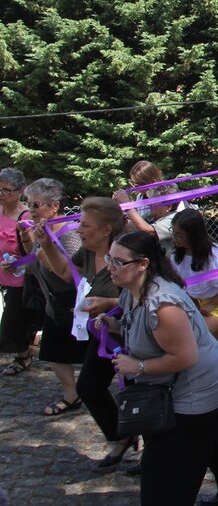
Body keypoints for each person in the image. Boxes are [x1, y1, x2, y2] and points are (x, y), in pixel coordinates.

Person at [103, 231, 218, 505]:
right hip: (180, 385)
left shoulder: (163, 304)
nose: (110, 267)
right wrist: (110, 325)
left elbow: (185, 357)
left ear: (143, 264)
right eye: (110, 259)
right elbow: (136, 326)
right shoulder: (132, 292)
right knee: (190, 448)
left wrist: (138, 366)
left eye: (118, 262)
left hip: (195, 390)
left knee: (168, 472)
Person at [33, 196, 129, 469]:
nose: (78, 230)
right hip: (105, 335)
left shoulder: (128, 252)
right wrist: (46, 243)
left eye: (85, 225)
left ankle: (153, 454)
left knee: (140, 393)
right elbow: (64, 272)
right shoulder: (88, 251)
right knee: (88, 387)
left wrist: (109, 303)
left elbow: (148, 295)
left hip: (136, 335)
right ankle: (121, 436)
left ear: (106, 229)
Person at [20, 178, 87, 415]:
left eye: (36, 205)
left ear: (54, 206)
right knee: (53, 350)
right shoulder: (42, 229)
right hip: (53, 301)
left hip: (74, 302)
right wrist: (28, 241)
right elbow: (32, 255)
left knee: (92, 351)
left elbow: (71, 274)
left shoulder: (70, 233)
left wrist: (42, 252)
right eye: (28, 204)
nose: (31, 210)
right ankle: (72, 394)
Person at [170, 208, 218, 379]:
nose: (175, 238)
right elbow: (185, 286)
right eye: (173, 233)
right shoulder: (177, 257)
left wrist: (212, 304)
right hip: (201, 301)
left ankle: (205, 382)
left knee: (196, 338)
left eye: (180, 235)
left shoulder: (213, 257)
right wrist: (195, 306)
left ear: (193, 235)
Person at [0, 167, 37, 376]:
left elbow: (34, 252)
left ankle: (22, 356)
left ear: (20, 190)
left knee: (14, 319)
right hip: (1, 273)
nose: (2, 195)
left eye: (7, 190)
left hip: (20, 277)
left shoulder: (25, 216)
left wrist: (17, 262)